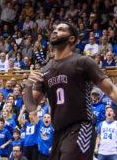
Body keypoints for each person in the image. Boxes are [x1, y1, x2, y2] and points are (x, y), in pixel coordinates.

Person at [24, 22, 117, 160]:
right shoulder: (45, 71)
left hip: (81, 126)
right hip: (59, 131)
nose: (55, 31)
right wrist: (27, 85)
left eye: (61, 30)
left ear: (71, 38)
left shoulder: (82, 62)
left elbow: (111, 90)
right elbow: (31, 106)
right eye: (54, 29)